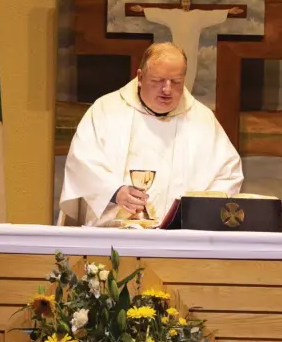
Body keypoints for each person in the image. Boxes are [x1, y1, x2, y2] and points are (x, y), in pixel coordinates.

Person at [59, 42, 243, 226]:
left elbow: (228, 173)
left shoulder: (202, 120)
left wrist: (197, 210)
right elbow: (82, 161)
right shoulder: (106, 110)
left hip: (180, 237)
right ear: (140, 77)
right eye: (158, 80)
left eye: (176, 82)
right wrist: (115, 192)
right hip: (114, 234)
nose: (167, 89)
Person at [142, 0, 243, 91]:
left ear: (190, 3)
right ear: (181, 3)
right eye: (184, 1)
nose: (186, 3)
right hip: (177, 50)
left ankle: (186, 95)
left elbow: (211, 15)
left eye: (187, 1)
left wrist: (228, 11)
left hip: (191, 50)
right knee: (176, 71)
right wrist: (143, 10)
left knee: (190, 71)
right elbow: (160, 13)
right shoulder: (174, 15)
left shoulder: (197, 15)